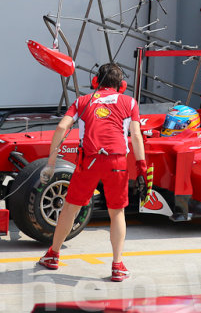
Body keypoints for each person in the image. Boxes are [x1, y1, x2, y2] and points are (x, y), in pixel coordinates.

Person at [37, 63, 147, 282]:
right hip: (117, 160)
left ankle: (53, 255)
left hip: (89, 160)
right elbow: (136, 136)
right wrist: (141, 166)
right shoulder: (130, 102)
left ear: (95, 82)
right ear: (122, 86)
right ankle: (117, 266)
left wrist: (51, 160)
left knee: (70, 208)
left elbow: (60, 128)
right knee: (117, 212)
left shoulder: (82, 101)